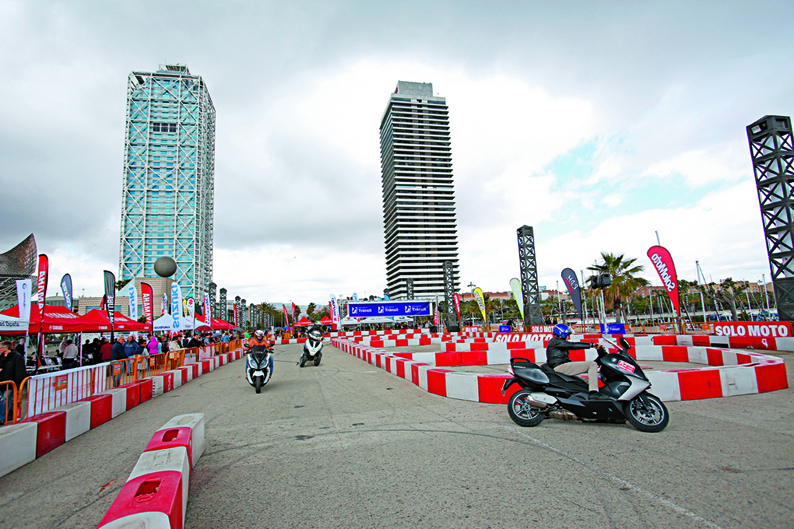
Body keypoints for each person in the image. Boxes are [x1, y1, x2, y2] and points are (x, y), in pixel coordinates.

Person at [545, 324, 605, 396]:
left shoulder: (558, 343)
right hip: (561, 367)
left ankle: (592, 397)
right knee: (592, 364)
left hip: (563, 366)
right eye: (568, 335)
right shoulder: (555, 341)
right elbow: (573, 345)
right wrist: (592, 345)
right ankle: (594, 393)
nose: (569, 337)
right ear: (562, 334)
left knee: (586, 382)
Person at [0, 340, 26, 424]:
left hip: (11, 383)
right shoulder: (1, 357)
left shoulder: (16, 357)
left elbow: (20, 371)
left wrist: (19, 385)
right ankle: (10, 414)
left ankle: (2, 417)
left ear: (6, 348)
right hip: (2, 382)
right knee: (8, 400)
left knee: (6, 399)